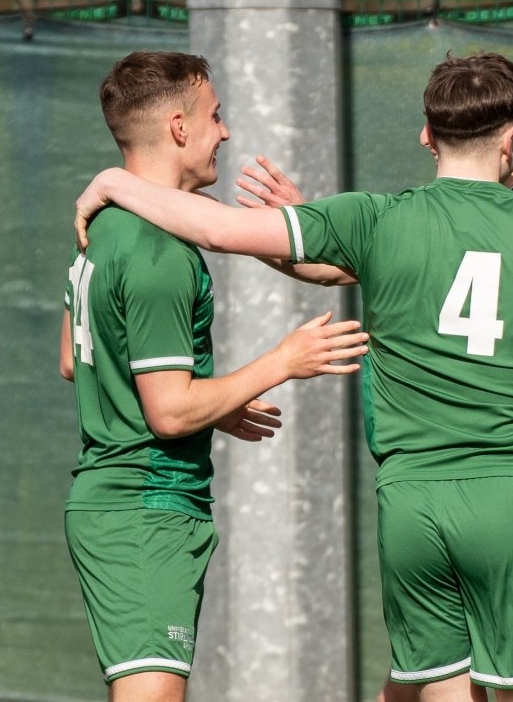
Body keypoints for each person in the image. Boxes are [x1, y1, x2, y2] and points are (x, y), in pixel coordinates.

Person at [72, 52, 513, 702]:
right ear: (511, 138)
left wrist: (116, 182)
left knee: (434, 690)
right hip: (512, 490)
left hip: (411, 503)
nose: (224, 131)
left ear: (426, 134)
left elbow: (223, 231)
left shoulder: (376, 219)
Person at [235, 152, 513, 702]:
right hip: (435, 486)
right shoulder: (417, 215)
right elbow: (340, 265)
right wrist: (305, 229)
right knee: (426, 679)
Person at [59, 50, 370, 702]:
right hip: (145, 508)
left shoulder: (103, 227)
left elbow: (76, 357)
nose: (225, 133)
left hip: (117, 503)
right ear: (178, 127)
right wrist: (280, 363)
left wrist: (211, 401)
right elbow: (168, 412)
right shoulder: (157, 248)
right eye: (216, 116)